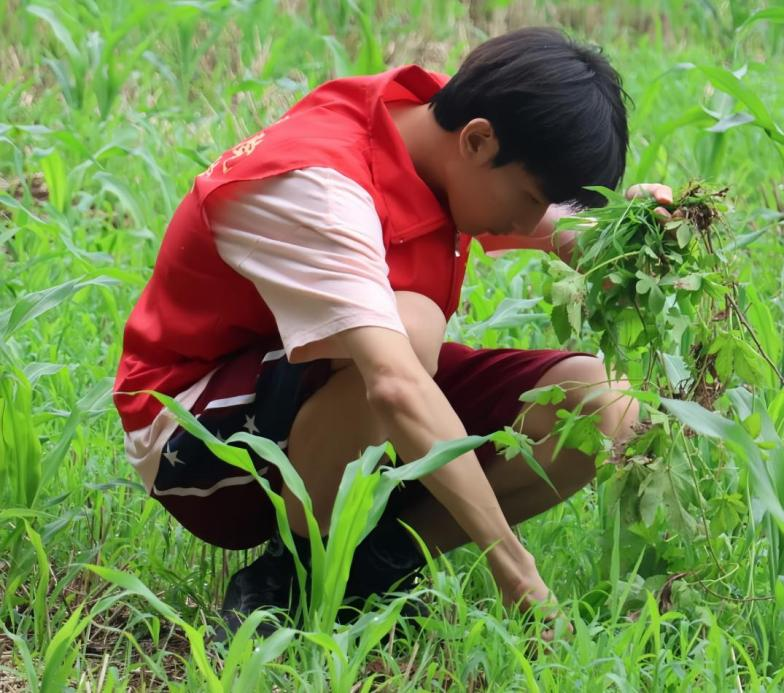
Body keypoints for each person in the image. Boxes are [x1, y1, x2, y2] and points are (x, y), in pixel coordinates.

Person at [113, 26, 672, 635]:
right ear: (477, 141)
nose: (532, 220)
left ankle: (373, 570)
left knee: (603, 405)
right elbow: (394, 382)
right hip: (195, 435)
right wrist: (518, 573)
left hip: (328, 386)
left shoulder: (439, 126)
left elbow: (555, 227)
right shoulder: (323, 186)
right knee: (411, 331)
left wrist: (627, 234)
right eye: (531, 198)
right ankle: (293, 575)